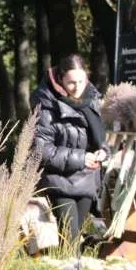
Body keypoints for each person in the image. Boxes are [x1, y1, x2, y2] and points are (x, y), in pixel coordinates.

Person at [31, 54, 108, 244]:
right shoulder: (46, 105)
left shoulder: (93, 101)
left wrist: (104, 152)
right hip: (59, 182)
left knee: (73, 241)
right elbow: (41, 150)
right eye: (71, 82)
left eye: (81, 81)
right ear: (60, 79)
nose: (78, 87)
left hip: (87, 180)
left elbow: (102, 139)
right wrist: (81, 158)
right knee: (70, 240)